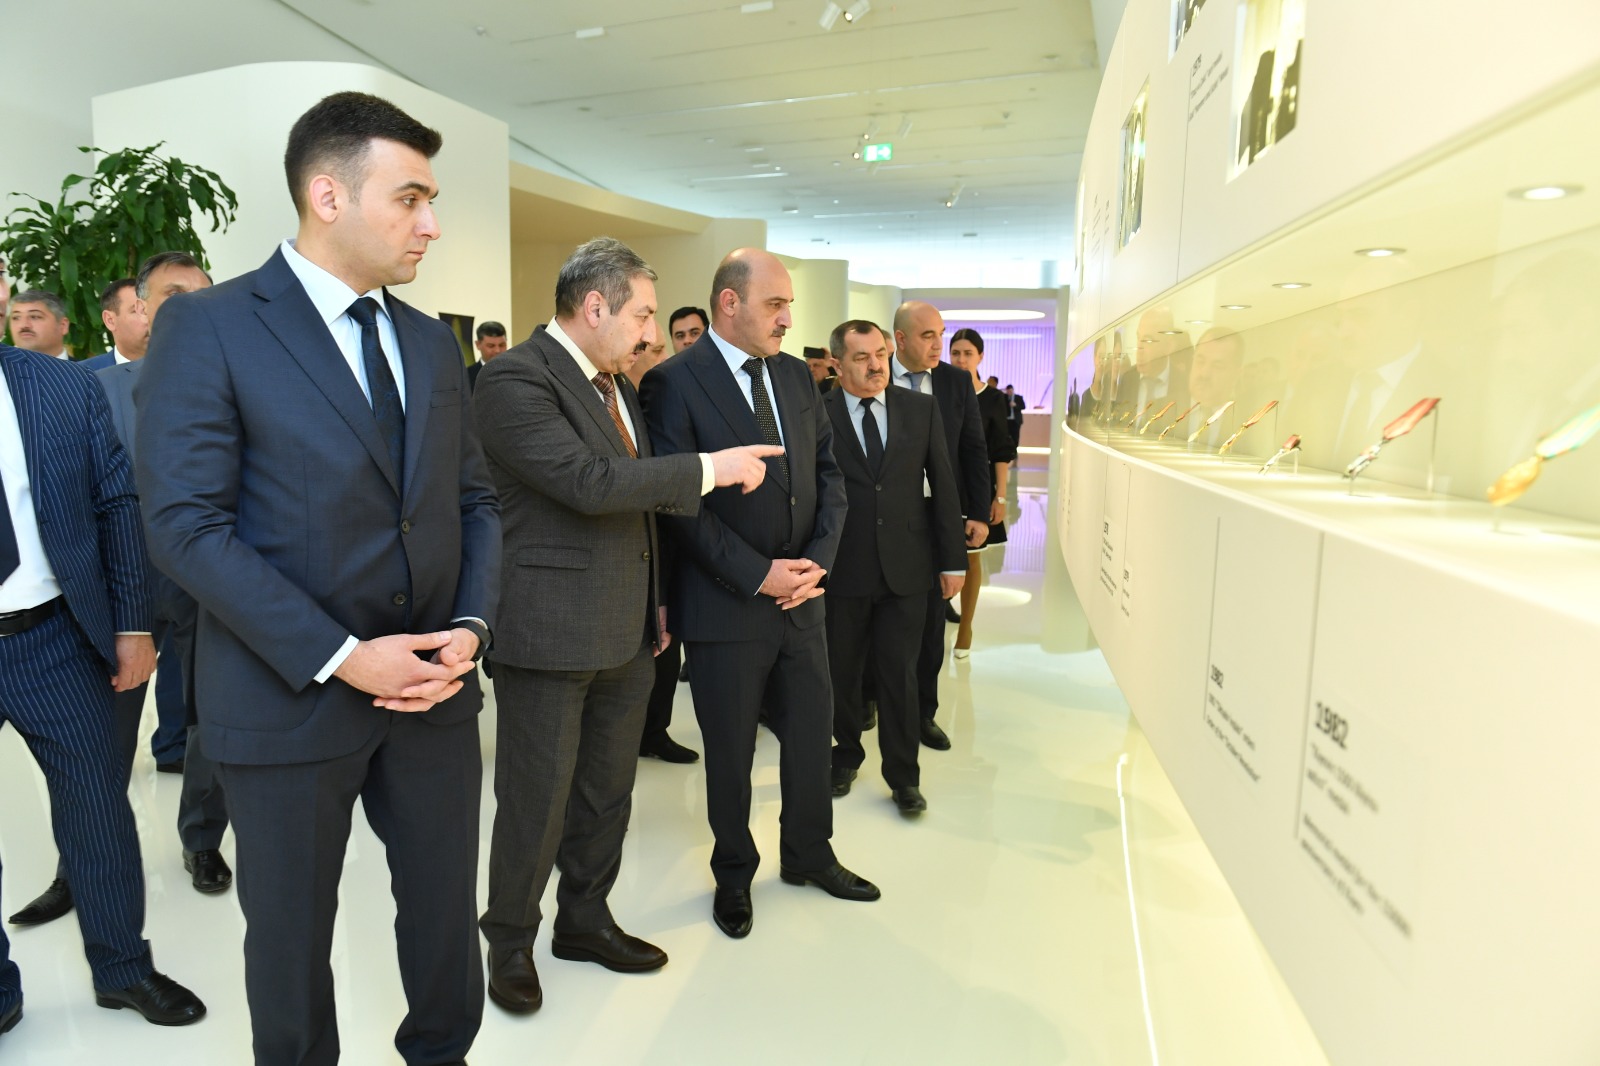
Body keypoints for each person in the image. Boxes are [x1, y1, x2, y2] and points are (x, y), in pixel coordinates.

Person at [135, 91, 501, 1066]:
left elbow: (473, 502)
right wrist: (343, 655)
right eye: (411, 198)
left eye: (432, 201)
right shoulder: (210, 327)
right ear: (328, 196)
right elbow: (185, 526)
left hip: (433, 694)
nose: (431, 224)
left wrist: (470, 627)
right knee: (292, 947)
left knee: (443, 928)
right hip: (285, 698)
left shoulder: (429, 340)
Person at [475, 237, 779, 1013]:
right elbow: (588, 482)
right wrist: (711, 467)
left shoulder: (617, 388)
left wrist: (660, 600)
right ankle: (509, 941)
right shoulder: (516, 378)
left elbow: (640, 508)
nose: (650, 334)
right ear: (594, 306)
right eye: (643, 315)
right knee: (536, 800)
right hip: (549, 632)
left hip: (628, 629)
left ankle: (584, 920)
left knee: (607, 794)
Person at [641, 248, 879, 941]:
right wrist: (757, 574)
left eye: (787, 306)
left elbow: (829, 476)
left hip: (802, 599)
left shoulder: (797, 377)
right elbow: (680, 504)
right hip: (726, 604)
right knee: (731, 754)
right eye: (775, 305)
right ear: (730, 303)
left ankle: (809, 854)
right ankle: (734, 874)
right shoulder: (674, 383)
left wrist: (815, 565)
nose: (787, 319)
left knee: (809, 737)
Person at [10, 252, 231, 932]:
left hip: (213, 584)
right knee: (98, 739)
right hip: (118, 591)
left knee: (209, 718)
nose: (187, 305)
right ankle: (77, 870)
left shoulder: (238, 381)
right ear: (138, 306)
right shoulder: (88, 387)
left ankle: (202, 841)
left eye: (202, 293)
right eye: (171, 294)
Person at [0, 342, 207, 1036]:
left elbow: (116, 504)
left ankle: (122, 969)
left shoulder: (62, 388)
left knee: (97, 811)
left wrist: (132, 624)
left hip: (53, 636)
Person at [822, 321, 965, 813]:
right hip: (842, 567)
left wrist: (953, 561)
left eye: (880, 354)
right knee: (842, 672)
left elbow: (943, 484)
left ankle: (904, 777)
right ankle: (844, 756)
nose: (876, 365)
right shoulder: (817, 413)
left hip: (907, 566)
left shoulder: (919, 409)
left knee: (900, 675)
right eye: (861, 358)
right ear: (837, 364)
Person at [890, 301, 989, 750]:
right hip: (881, 517)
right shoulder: (874, 376)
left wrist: (979, 512)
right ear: (901, 339)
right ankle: (871, 698)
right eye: (928, 335)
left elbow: (973, 449)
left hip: (936, 517)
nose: (938, 345)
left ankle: (923, 712)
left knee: (931, 622)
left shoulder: (954, 382)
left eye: (941, 334)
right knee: (875, 615)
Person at [946, 328, 1015, 659]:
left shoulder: (992, 398)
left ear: (981, 357)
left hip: (977, 485)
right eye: (955, 353)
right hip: (943, 483)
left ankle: (966, 627)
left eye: (968, 354)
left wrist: (1000, 496)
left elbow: (1001, 451)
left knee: (971, 559)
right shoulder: (938, 391)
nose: (961, 360)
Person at [80, 279, 149, 371]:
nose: (152, 318)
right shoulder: (81, 375)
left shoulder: (170, 369)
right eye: (139, 311)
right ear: (110, 320)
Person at [7, 291, 71, 359]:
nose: (23, 325)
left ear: (63, 326)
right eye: (16, 318)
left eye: (34, 317)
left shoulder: (78, 366)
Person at [466, 320, 507, 391]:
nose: (497, 350)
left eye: (502, 345)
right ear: (478, 344)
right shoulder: (466, 376)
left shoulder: (516, 372)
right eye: (491, 346)